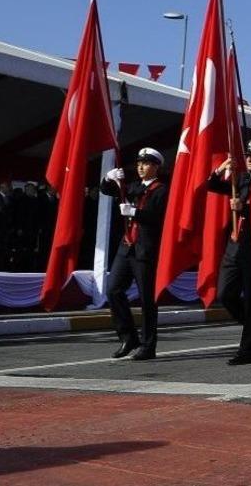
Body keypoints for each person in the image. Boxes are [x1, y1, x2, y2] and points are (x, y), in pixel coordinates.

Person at [207, 138, 251, 365]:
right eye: (248, 156)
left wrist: (243, 207)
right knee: (225, 294)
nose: (250, 159)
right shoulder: (241, 179)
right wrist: (222, 169)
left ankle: (247, 350)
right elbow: (212, 185)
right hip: (234, 245)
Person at [100, 147, 168, 361]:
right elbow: (108, 191)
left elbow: (159, 218)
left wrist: (135, 213)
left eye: (146, 163)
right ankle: (128, 337)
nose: (140, 167)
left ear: (156, 166)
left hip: (145, 249)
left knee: (147, 299)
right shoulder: (133, 187)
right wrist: (108, 178)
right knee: (113, 290)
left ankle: (149, 346)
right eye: (139, 163)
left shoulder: (162, 190)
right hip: (127, 246)